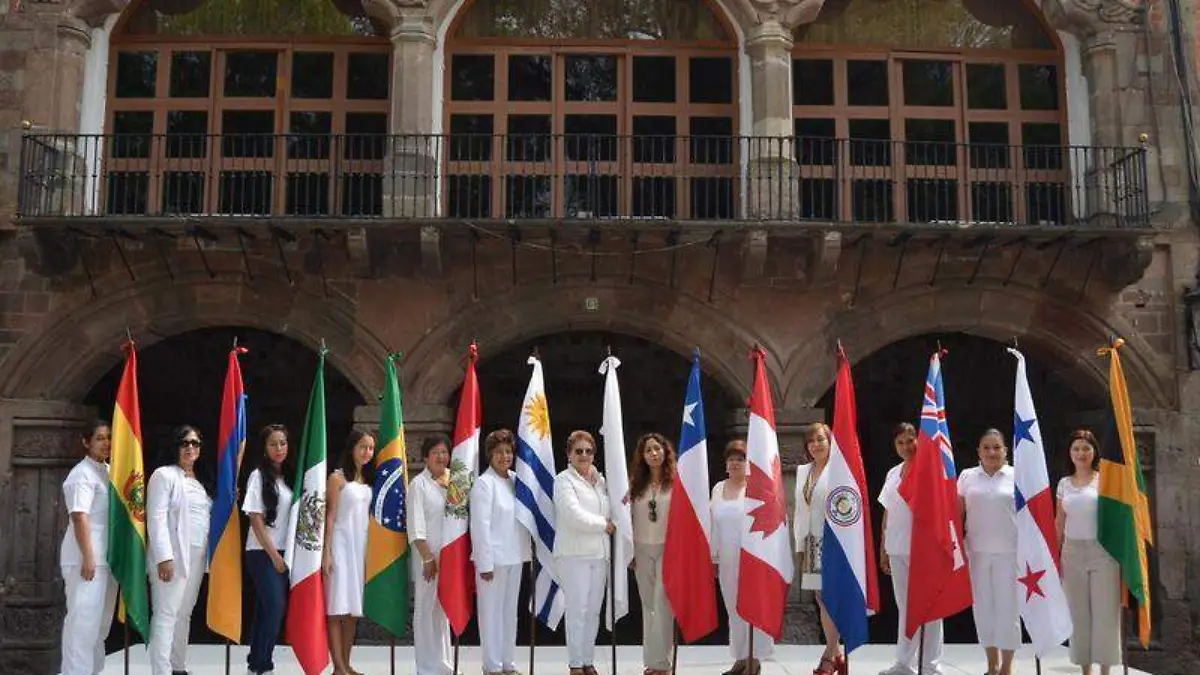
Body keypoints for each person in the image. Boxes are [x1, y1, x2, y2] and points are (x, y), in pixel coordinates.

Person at [146, 425, 213, 675]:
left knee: (184, 613)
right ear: (175, 447)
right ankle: (161, 671)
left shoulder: (201, 481)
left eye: (195, 443)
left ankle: (177, 667)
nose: (190, 448)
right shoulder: (164, 475)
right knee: (166, 614)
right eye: (185, 443)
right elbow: (156, 517)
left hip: (197, 556)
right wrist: (164, 557)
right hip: (173, 556)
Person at [878, 423, 943, 675]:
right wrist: (883, 547)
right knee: (905, 608)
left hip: (924, 548)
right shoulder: (893, 473)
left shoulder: (930, 469)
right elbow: (888, 512)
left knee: (930, 607)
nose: (906, 446)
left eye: (910, 440)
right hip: (897, 547)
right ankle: (904, 662)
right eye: (900, 442)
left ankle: (930, 665)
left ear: (919, 440)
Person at [1056, 429, 1121, 675]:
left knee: (1106, 612)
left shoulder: (1104, 480)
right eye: (1076, 448)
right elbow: (1059, 522)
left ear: (1094, 451)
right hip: (1072, 552)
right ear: (1069, 453)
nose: (1081, 453)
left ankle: (1105, 669)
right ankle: (1086, 669)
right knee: (1078, 612)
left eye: (1086, 448)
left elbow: (1116, 518)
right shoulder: (1063, 484)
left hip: (1102, 552)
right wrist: (1055, 555)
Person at [958, 429, 1020, 675]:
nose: (991, 452)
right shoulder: (967, 477)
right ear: (978, 451)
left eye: (996, 447)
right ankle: (991, 665)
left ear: (1005, 450)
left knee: (1008, 610)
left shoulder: (1017, 475)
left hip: (1010, 553)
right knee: (983, 610)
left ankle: (1007, 667)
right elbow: (956, 514)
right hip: (977, 553)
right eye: (986, 447)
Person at [59, 421, 119, 675]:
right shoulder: (81, 474)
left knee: (100, 627)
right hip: (86, 559)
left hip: (107, 558)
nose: (106, 443)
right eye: (99, 438)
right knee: (83, 624)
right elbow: (79, 517)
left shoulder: (109, 471)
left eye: (108, 438)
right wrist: (88, 557)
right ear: (86, 442)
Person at [470, 428, 531, 675]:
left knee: (509, 614)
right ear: (489, 455)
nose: (504, 456)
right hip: (493, 560)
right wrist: (484, 563)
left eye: (508, 451)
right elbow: (480, 526)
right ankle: (492, 665)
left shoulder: (516, 480)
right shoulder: (484, 484)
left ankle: (508, 663)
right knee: (491, 615)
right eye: (499, 452)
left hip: (515, 556)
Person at [553, 430, 614, 675]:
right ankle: (576, 664)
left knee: (593, 611)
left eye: (588, 451)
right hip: (573, 555)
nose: (584, 455)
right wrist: (603, 525)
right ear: (569, 454)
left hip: (599, 554)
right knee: (577, 611)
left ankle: (588, 661)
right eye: (578, 451)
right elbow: (573, 514)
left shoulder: (601, 481)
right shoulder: (563, 480)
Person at [711, 439, 773, 675]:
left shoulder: (756, 489)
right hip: (727, 559)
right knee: (733, 610)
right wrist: (713, 559)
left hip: (752, 558)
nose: (735, 463)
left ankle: (754, 660)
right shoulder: (718, 488)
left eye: (740, 459)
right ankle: (740, 657)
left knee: (752, 609)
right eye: (731, 459)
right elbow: (713, 526)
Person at [323, 429, 376, 675]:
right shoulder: (337, 478)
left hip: (359, 547)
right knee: (337, 608)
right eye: (363, 447)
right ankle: (338, 666)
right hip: (340, 546)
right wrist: (326, 553)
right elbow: (330, 516)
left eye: (371, 448)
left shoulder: (367, 479)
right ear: (352, 448)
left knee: (353, 611)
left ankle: (346, 664)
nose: (367, 452)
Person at [793, 422, 844, 675]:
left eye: (820, 440)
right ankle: (837, 654)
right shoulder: (804, 471)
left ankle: (829, 657)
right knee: (821, 599)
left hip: (835, 541)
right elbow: (800, 511)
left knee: (832, 598)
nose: (815, 445)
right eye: (811, 441)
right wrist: (800, 545)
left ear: (830, 442)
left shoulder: (840, 470)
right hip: (813, 542)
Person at [243, 424, 294, 675]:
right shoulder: (258, 476)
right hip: (262, 552)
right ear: (264, 448)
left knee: (266, 609)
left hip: (284, 551)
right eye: (273, 444)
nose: (279, 448)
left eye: (282, 443)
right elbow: (255, 518)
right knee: (275, 607)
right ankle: (263, 664)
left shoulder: (287, 478)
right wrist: (274, 556)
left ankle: (256, 662)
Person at [629, 432, 676, 675]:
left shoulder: (676, 483)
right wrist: (628, 551)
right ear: (643, 456)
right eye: (648, 450)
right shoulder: (635, 485)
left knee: (663, 603)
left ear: (665, 452)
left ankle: (663, 663)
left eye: (657, 448)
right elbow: (624, 516)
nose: (654, 453)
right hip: (641, 548)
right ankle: (651, 661)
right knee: (648, 605)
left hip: (667, 549)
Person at [409, 433, 454, 675]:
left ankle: (443, 663)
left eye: (444, 452)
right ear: (426, 457)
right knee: (426, 608)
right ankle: (425, 666)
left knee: (443, 609)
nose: (440, 456)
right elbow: (415, 526)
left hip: (449, 554)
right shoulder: (419, 484)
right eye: (435, 452)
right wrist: (427, 557)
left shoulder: (454, 481)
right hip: (427, 555)